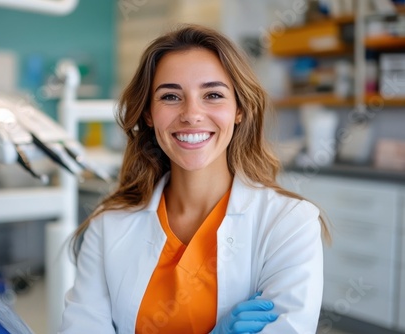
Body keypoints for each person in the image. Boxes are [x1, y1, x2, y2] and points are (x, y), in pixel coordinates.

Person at [59, 24, 328, 334]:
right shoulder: (108, 226)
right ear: (148, 113)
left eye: (213, 94)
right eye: (171, 96)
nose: (191, 114)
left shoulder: (289, 224)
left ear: (239, 109)